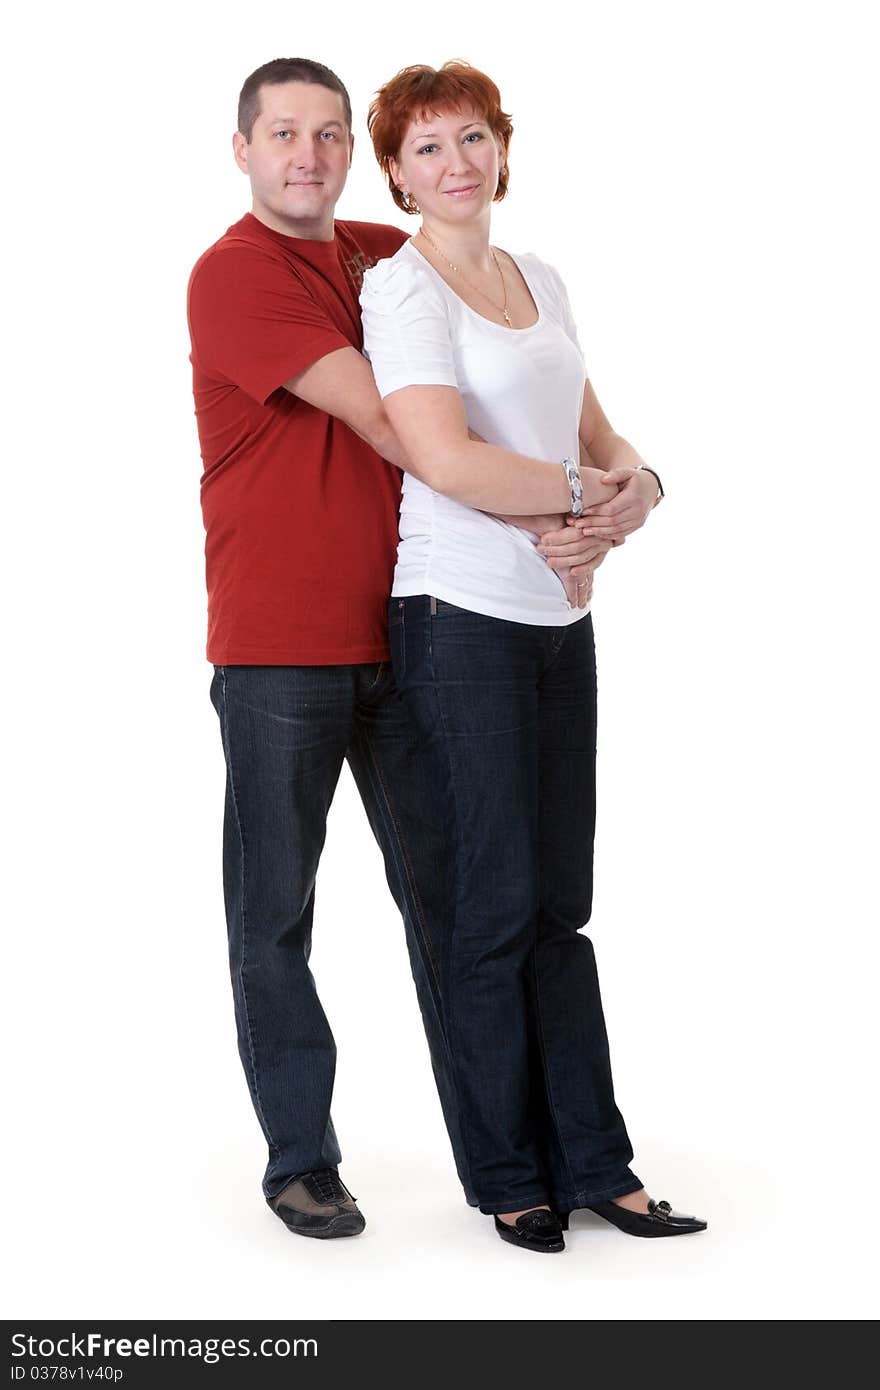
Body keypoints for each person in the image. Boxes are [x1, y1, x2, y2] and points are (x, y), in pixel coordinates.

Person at [187, 57, 605, 1241]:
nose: (306, 156)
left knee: (463, 907)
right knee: (275, 914)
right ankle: (300, 1158)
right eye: (282, 134)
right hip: (280, 647)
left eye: (326, 134)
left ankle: (522, 1155)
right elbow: (396, 422)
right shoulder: (232, 275)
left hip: (410, 630)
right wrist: (564, 518)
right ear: (244, 149)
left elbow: (463, 264)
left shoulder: (380, 249)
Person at [360, 61, 707, 1252]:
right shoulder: (403, 292)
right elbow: (444, 460)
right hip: (457, 620)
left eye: (470, 138)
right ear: (396, 174)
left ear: (502, 149)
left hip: (561, 618)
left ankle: (597, 1163)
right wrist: (576, 499)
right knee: (492, 908)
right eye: (424, 149)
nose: (453, 163)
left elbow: (597, 435)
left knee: (563, 904)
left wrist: (636, 494)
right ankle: (510, 1173)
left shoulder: (538, 276)